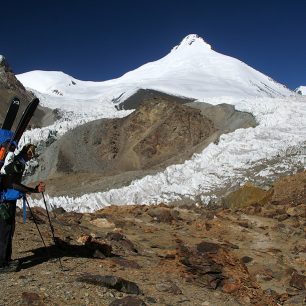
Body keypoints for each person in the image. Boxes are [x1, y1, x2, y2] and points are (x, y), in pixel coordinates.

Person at [0, 144, 45, 273]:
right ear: (26, 152)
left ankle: (6, 260)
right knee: (5, 231)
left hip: (7, 200)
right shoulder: (17, 163)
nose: (31, 155)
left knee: (8, 230)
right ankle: (2, 263)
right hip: (5, 201)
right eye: (30, 152)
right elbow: (13, 184)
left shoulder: (16, 161)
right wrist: (32, 190)